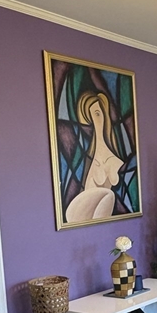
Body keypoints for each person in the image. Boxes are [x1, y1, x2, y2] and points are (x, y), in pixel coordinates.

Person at [65, 92, 124, 223]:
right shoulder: (86, 161)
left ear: (104, 116)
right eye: (90, 116)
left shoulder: (114, 161)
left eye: (97, 114)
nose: (94, 121)